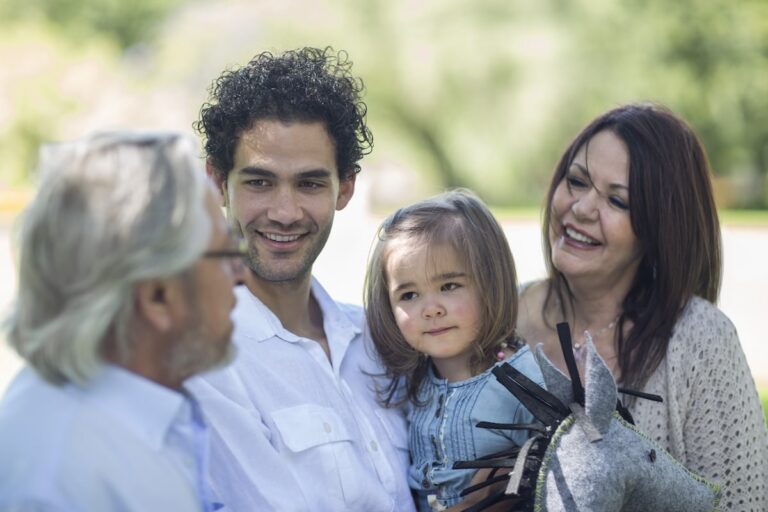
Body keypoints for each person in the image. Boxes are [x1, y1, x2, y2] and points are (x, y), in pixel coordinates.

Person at [188, 47, 415, 511]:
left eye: (309, 183)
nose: (285, 212)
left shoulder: (382, 340)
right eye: (259, 182)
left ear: (345, 188)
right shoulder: (205, 363)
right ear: (217, 183)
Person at [516, 103, 768, 511]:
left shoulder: (702, 343)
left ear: (657, 230)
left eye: (617, 201)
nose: (580, 208)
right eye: (576, 181)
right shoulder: (494, 315)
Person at [0, 132, 245, 511]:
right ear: (158, 297)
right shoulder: (61, 482)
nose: (240, 272)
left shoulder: (124, 416)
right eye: (227, 251)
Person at [364, 189, 544, 511]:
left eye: (449, 286)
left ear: (490, 283)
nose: (430, 309)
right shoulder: (412, 380)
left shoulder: (521, 381)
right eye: (409, 295)